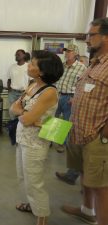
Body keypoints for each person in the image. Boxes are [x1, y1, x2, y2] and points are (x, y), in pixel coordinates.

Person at [61, 18, 108, 225]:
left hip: (97, 137)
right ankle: (87, 210)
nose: (87, 40)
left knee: (101, 185)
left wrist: (105, 134)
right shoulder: (95, 63)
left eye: (91, 35)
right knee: (85, 175)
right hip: (80, 132)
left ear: (106, 37)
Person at [10, 50, 64, 225]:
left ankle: (42, 217)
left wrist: (25, 115)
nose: (29, 66)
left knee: (35, 182)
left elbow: (25, 117)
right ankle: (32, 206)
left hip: (36, 143)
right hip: (22, 138)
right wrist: (26, 115)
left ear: (42, 71)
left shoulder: (49, 92)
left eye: (33, 64)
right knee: (23, 177)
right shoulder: (33, 84)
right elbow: (13, 108)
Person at [54, 44, 87, 185]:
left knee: (66, 123)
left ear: (76, 54)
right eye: (66, 51)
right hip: (57, 95)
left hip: (69, 98)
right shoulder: (61, 65)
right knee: (53, 121)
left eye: (70, 51)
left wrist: (75, 97)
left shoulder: (82, 68)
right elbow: (56, 79)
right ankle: (57, 143)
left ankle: (64, 144)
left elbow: (83, 85)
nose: (67, 53)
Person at [7, 49, 30, 119]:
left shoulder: (28, 66)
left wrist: (27, 92)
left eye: (18, 55)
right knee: (12, 111)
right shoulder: (12, 67)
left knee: (22, 112)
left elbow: (32, 81)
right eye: (15, 55)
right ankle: (12, 128)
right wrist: (9, 89)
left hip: (24, 93)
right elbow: (9, 79)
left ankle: (19, 128)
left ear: (24, 55)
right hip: (12, 93)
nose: (16, 56)